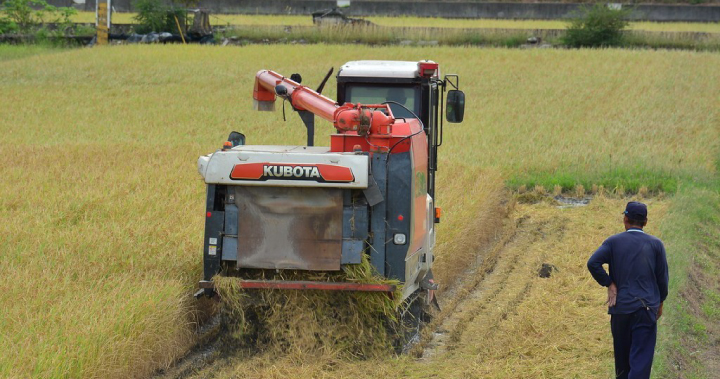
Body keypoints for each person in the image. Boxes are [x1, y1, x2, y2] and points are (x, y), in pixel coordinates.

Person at [587, 201, 669, 379]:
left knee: (622, 364)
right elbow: (662, 279)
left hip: (621, 308)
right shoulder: (656, 245)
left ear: (625, 218)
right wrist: (660, 302)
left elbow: (593, 263)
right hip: (645, 309)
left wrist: (609, 283)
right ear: (645, 222)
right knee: (640, 360)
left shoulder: (613, 242)